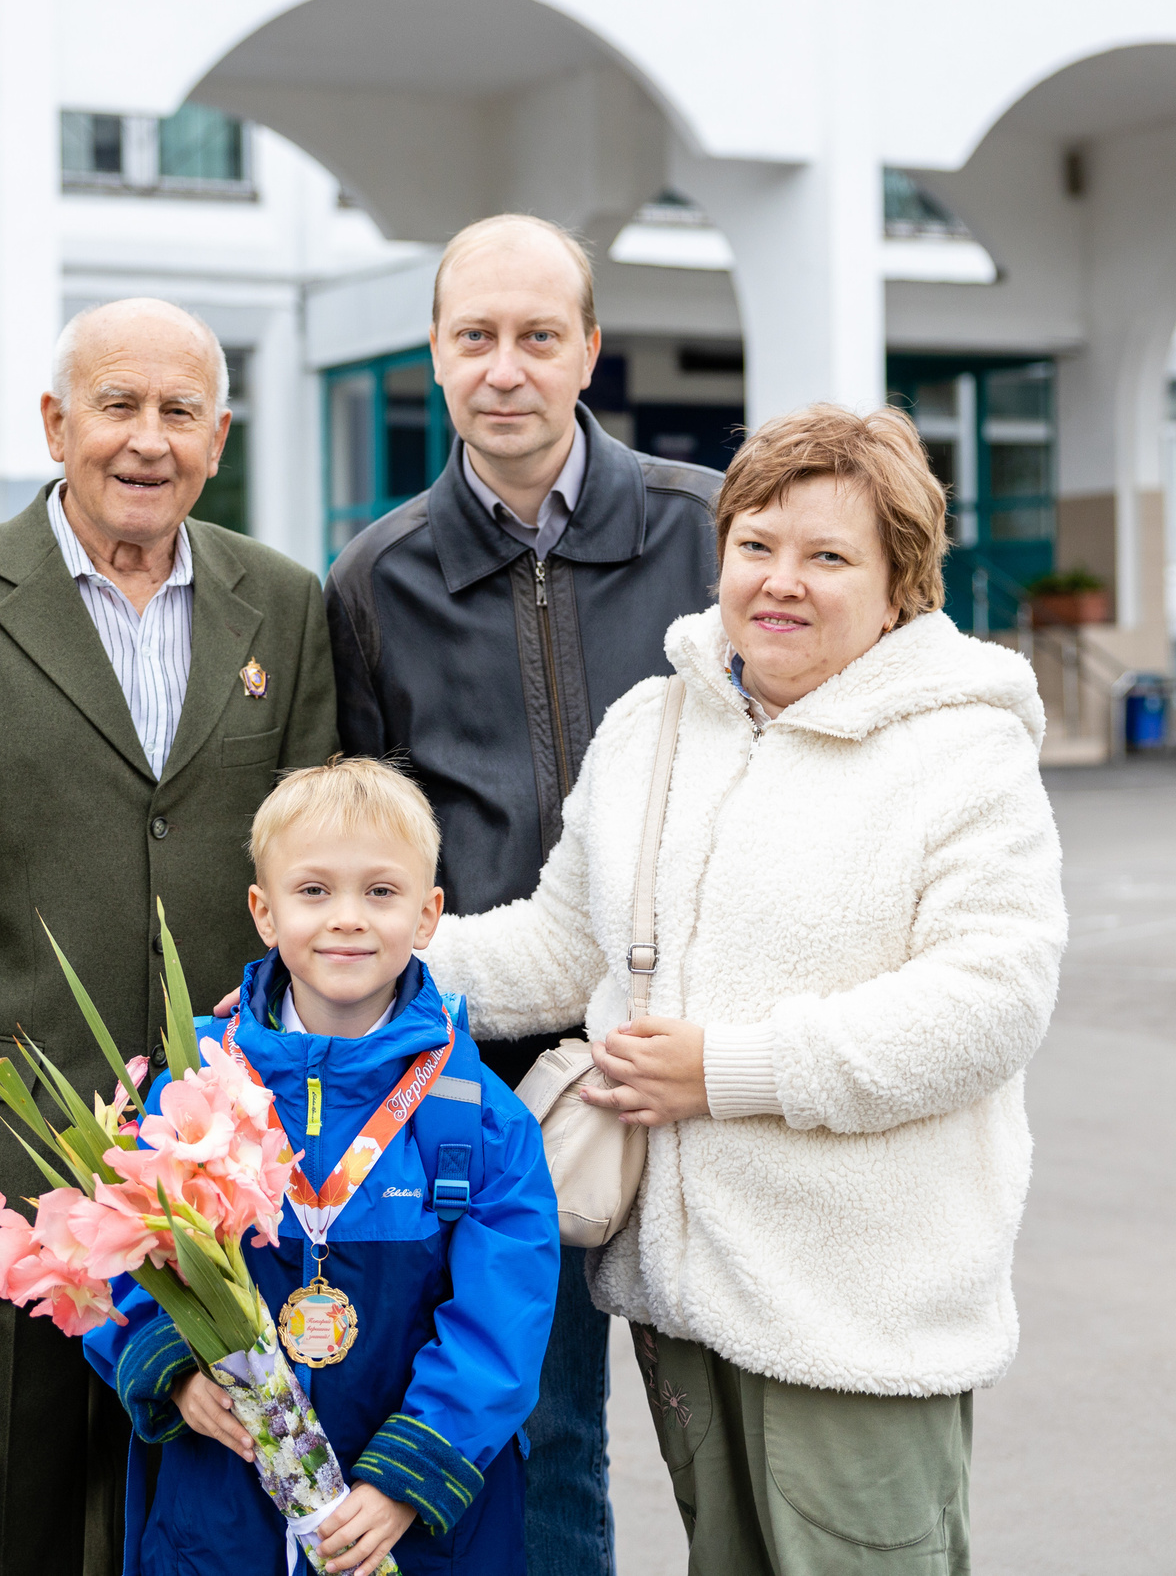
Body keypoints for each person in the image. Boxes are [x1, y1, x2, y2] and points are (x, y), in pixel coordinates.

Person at [422, 404, 1068, 1576]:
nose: (781, 583)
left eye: (828, 557)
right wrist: (371, 959)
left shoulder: (960, 748)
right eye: (757, 545)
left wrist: (722, 1072)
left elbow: (989, 1001)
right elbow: (564, 947)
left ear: (900, 586)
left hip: (857, 1309)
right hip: (688, 1296)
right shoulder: (653, 723)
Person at [0, 298, 340, 1576]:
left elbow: (320, 876)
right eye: (118, 406)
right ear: (56, 423)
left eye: (179, 413)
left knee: (207, 1513)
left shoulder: (281, 606)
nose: (147, 441)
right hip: (4, 1169)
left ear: (218, 438)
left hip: (228, 1168)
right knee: (2, 1512)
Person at [323, 212, 723, 1573]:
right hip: (495, 1081)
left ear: (590, 351)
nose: (507, 367)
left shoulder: (705, 532)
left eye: (538, 336)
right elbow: (370, 833)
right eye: (475, 336)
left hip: (703, 1054)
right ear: (434, 354)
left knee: (737, 1429)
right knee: (543, 1433)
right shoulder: (378, 575)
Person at [89, 758, 560, 1576]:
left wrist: (404, 1484)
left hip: (409, 1528)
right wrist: (173, 1375)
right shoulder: (195, 1089)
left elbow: (502, 1321)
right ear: (264, 913)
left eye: (381, 891)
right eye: (314, 891)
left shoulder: (479, 1118)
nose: (347, 918)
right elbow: (119, 1252)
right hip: (223, 1502)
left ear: (428, 914)